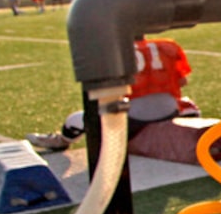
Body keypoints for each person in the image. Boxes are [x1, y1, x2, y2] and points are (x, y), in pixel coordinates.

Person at [27, 37, 198, 150]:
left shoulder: (112, 51)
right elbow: (182, 81)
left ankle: (62, 141)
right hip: (169, 114)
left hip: (131, 123)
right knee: (190, 107)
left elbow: (103, 93)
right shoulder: (167, 45)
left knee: (77, 118)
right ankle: (189, 137)